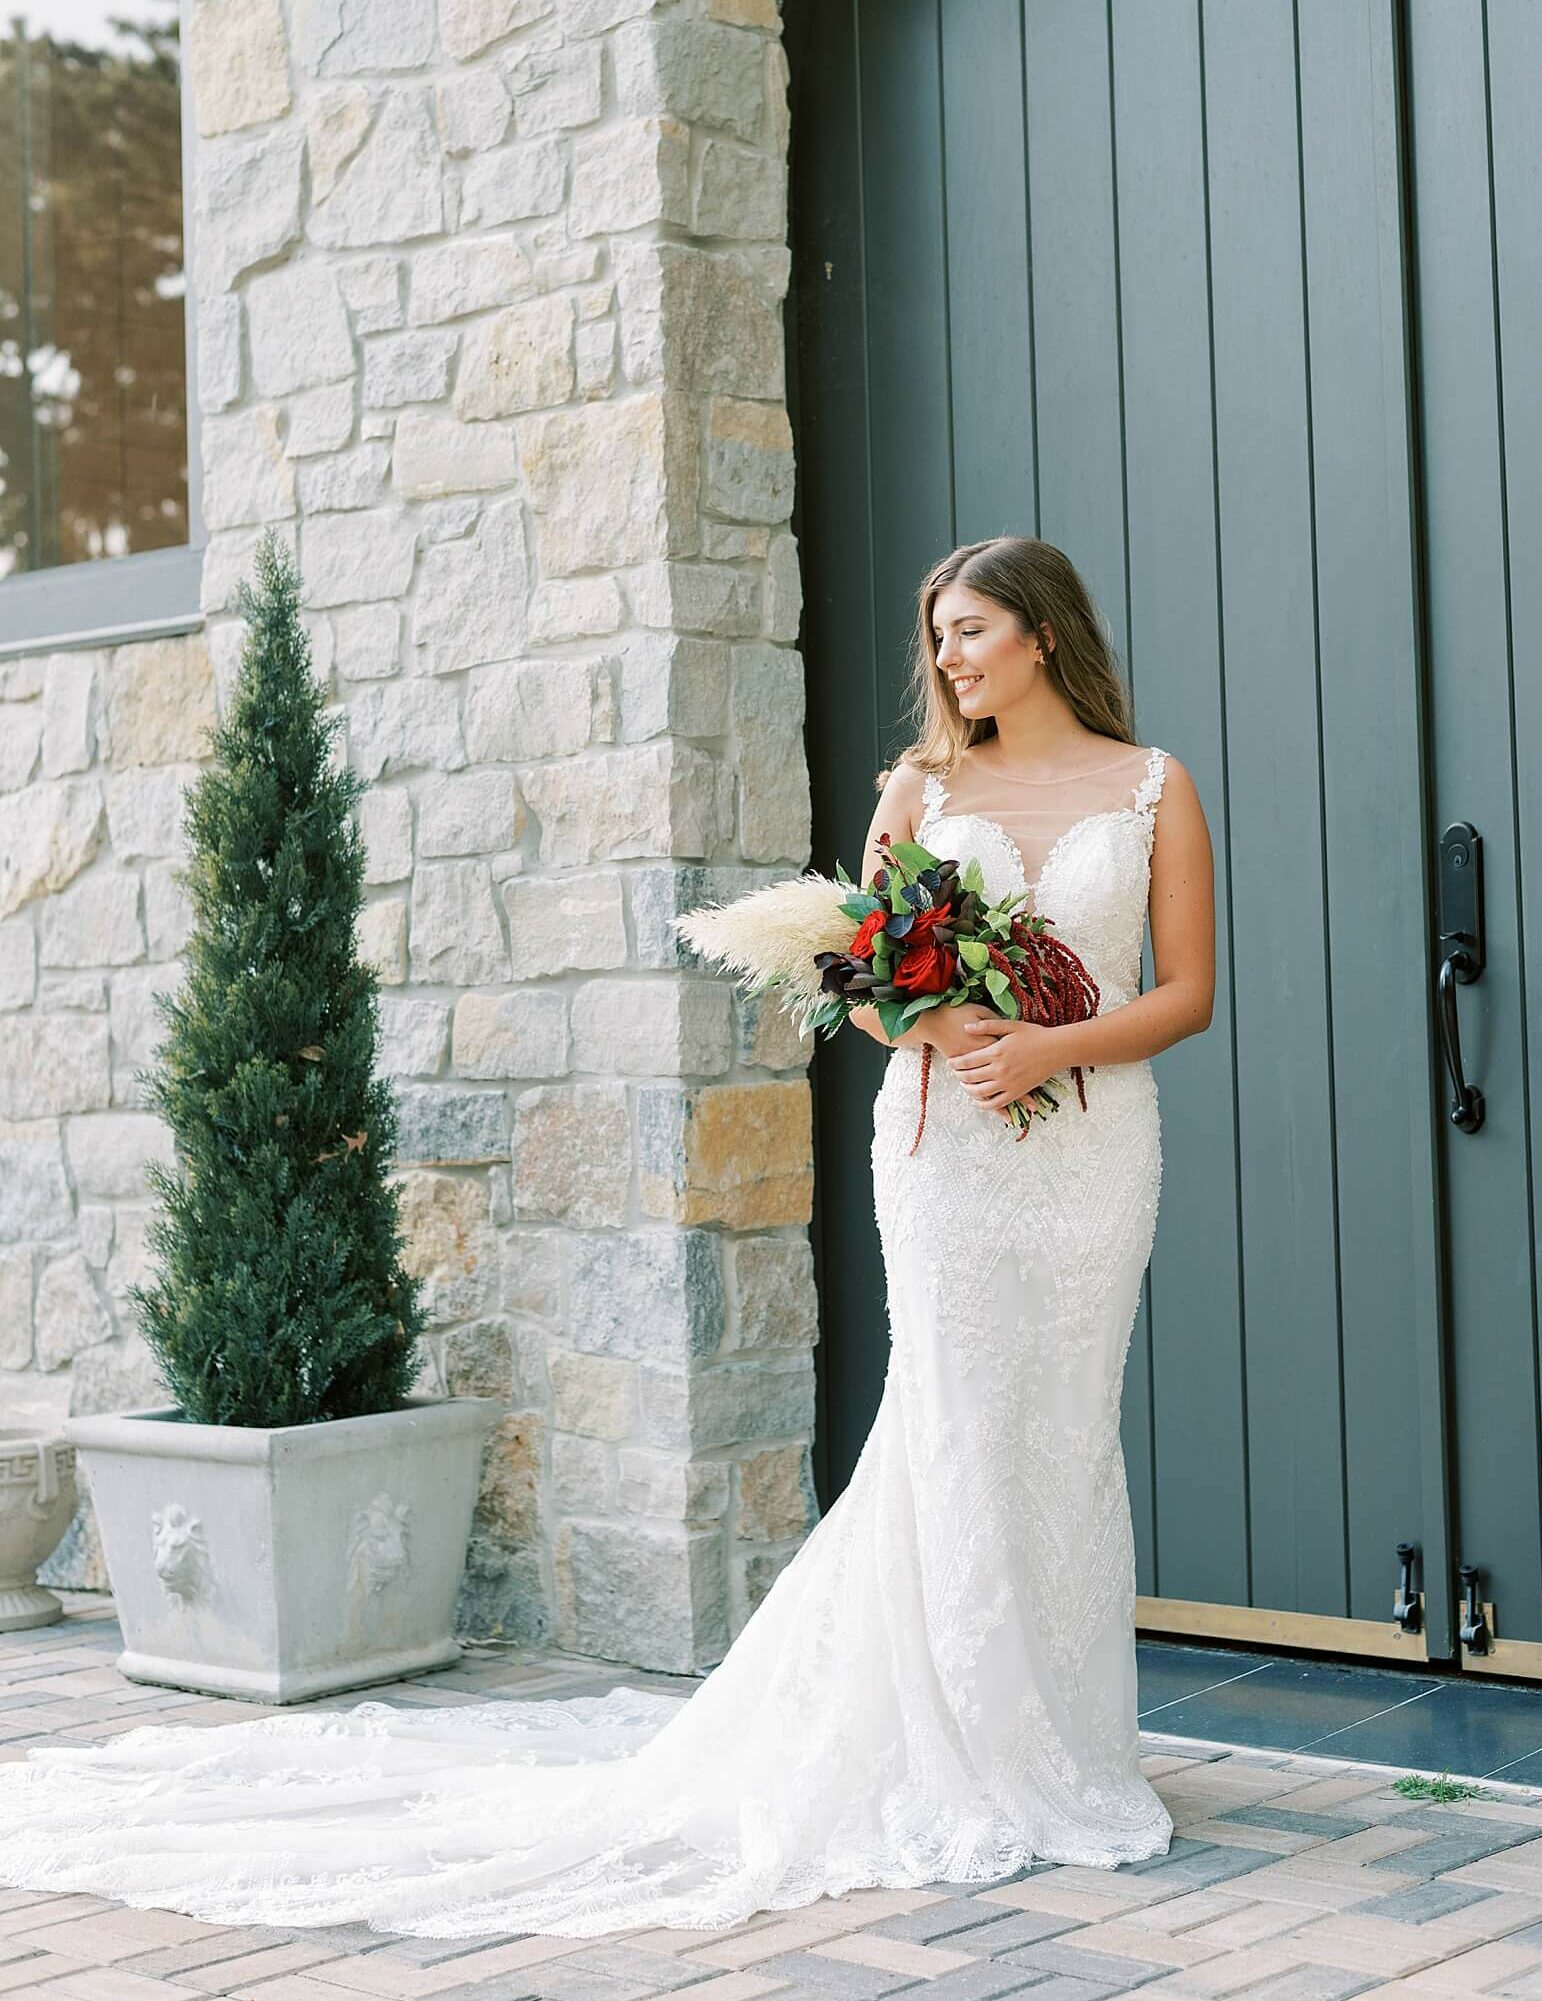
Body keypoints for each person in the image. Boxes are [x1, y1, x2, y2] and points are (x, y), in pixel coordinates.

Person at [0, 536, 1216, 1942]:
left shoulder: (1151, 787)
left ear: (1045, 635)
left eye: (970, 631)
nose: (946, 658)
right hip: (950, 1157)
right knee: (954, 1422)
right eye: (938, 635)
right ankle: (968, 1748)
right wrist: (944, 1024)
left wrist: (1052, 1039)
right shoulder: (921, 789)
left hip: (1090, 1155)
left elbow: (1182, 992)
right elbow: (859, 976)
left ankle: (1067, 1742)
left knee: (1061, 1430)